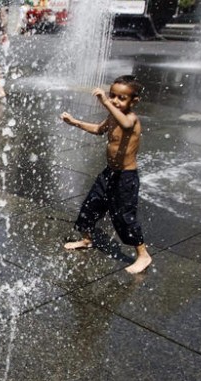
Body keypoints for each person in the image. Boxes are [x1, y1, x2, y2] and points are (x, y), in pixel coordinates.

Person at [60, 75, 152, 274]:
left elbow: (125, 125)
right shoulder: (113, 117)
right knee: (91, 205)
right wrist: (74, 122)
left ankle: (143, 255)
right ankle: (86, 239)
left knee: (125, 217)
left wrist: (105, 102)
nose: (116, 101)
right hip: (109, 173)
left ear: (134, 101)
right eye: (113, 96)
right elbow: (98, 129)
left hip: (126, 178)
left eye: (122, 98)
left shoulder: (131, 120)